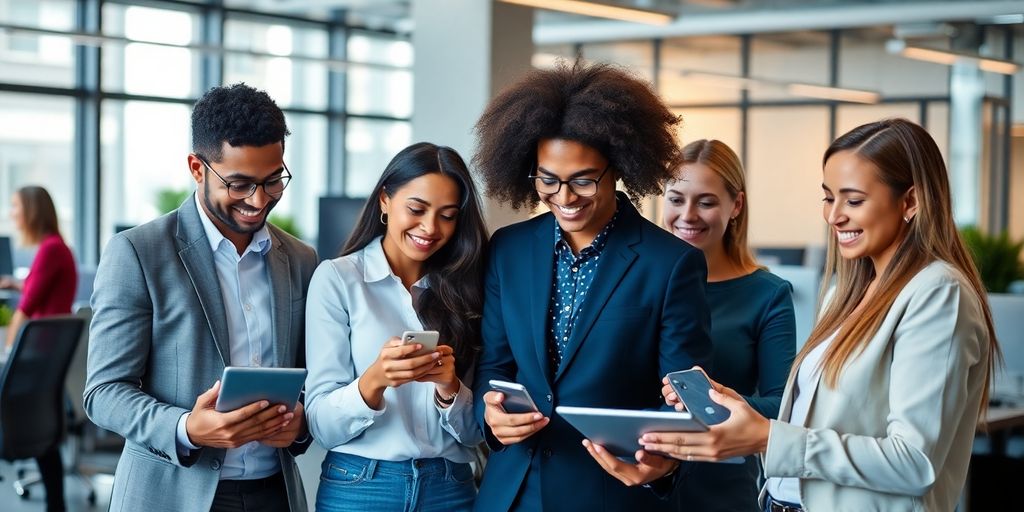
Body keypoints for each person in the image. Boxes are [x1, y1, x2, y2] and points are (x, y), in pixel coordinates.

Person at [615, 118, 998, 512]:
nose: (834, 216)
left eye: (853, 200)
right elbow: (820, 423)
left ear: (911, 202)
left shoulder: (937, 293)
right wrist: (736, 406)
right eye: (829, 197)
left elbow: (914, 462)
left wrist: (767, 436)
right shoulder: (846, 293)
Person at [470, 60, 713, 511]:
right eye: (548, 180)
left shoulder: (673, 263)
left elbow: (686, 394)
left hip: (609, 491)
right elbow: (495, 365)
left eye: (583, 180)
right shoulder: (509, 248)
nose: (564, 198)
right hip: (510, 492)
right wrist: (490, 414)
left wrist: (662, 460)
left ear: (618, 167)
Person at [84, 83, 318, 512]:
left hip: (274, 493)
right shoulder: (139, 253)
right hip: (171, 493)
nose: (259, 199)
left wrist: (301, 425)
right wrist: (187, 427)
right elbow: (103, 392)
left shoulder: (301, 259)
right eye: (240, 184)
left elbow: (314, 381)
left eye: (273, 180)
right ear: (197, 167)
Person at [304, 142, 488, 512]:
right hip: (361, 486)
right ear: (385, 201)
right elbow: (321, 426)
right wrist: (374, 380)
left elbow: (475, 434)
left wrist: (449, 388)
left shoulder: (468, 288)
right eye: (417, 209)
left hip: (450, 487)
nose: (430, 228)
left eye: (448, 215)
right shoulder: (339, 280)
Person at [661, 140, 795, 511]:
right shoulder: (637, 283)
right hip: (634, 482)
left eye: (706, 202)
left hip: (719, 491)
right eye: (675, 199)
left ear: (735, 205)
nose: (687, 215)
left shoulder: (767, 294)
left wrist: (718, 402)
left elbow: (784, 406)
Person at [1, 185, 77, 512]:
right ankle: (55, 504)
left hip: (35, 362)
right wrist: (18, 283)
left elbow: (26, 310)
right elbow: (38, 291)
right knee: (44, 435)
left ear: (32, 210)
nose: (12, 214)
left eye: (16, 206)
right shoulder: (58, 249)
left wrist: (6, 354)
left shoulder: (50, 250)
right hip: (45, 364)